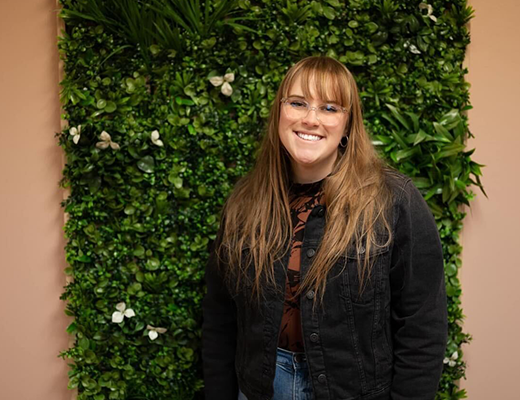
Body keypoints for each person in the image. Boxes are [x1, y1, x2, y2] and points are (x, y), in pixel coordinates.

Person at [202, 56, 448, 400]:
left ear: (348, 124)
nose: (311, 119)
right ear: (279, 114)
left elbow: (423, 325)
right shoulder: (244, 202)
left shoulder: (393, 201)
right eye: (298, 103)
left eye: (330, 108)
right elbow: (220, 318)